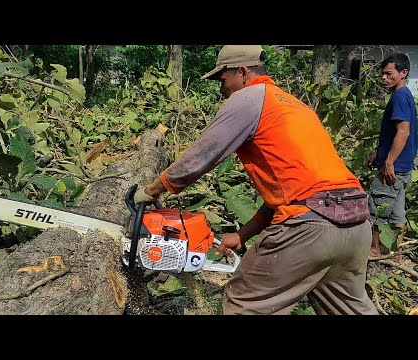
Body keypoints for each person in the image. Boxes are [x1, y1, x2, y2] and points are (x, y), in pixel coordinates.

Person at [134, 45, 377, 315]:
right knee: (347, 308)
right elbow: (295, 193)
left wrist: (154, 189)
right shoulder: (295, 106)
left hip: (310, 228)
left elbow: (203, 155)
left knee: (245, 303)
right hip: (356, 225)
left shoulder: (248, 98)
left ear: (242, 72)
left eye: (222, 80)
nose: (221, 88)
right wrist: (241, 234)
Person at [367, 53, 417, 263]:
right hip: (404, 165)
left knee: (376, 208)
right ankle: (396, 255)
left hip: (394, 166)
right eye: (382, 74)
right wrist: (378, 153)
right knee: (397, 211)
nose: (384, 78)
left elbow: (403, 132)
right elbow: (395, 133)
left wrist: (388, 162)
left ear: (403, 73)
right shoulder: (405, 95)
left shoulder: (399, 97)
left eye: (389, 73)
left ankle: (374, 250)